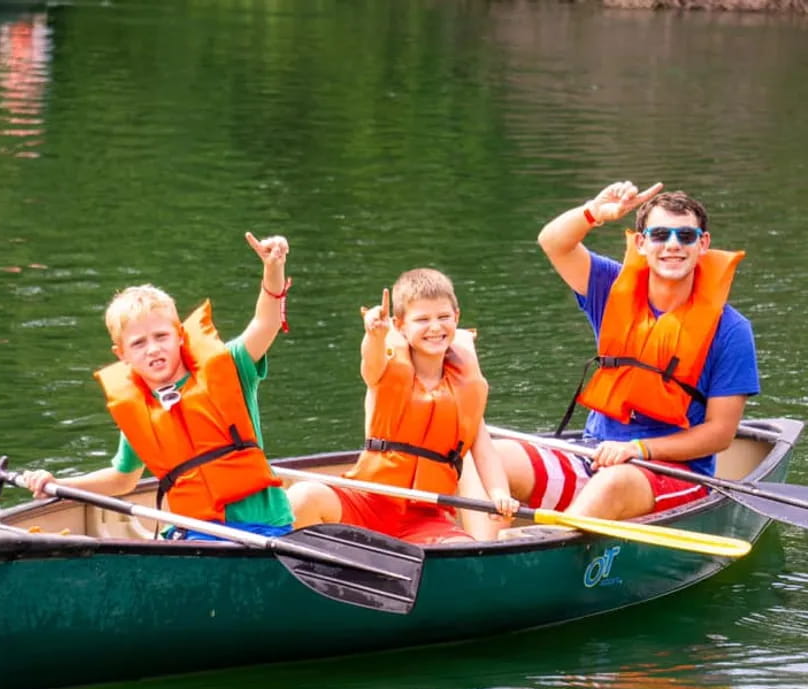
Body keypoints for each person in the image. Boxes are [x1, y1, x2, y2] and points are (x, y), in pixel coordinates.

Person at [492, 180, 759, 522]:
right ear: (642, 242)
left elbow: (720, 434)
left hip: (675, 473)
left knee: (613, 483)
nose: (673, 245)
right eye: (660, 235)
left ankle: (543, 547)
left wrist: (639, 449)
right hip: (593, 455)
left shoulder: (732, 330)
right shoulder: (610, 287)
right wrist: (595, 212)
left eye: (686, 236)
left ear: (703, 244)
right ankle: (482, 549)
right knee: (495, 458)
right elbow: (553, 242)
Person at [18, 232, 295, 540]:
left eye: (161, 336)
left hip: (263, 526)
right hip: (196, 531)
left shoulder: (229, 365)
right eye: (139, 343)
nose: (153, 349)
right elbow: (123, 479)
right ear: (121, 355)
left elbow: (265, 323)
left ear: (179, 335)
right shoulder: (140, 411)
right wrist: (59, 484)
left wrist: (273, 268)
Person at [285, 268, 518, 544]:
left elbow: (484, 450)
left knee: (461, 549)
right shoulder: (385, 371)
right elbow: (370, 364)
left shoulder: (467, 388)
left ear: (457, 318)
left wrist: (499, 493)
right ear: (400, 325)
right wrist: (374, 335)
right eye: (422, 319)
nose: (435, 327)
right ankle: (332, 573)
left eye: (443, 317)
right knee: (302, 497)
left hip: (427, 517)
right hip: (367, 500)